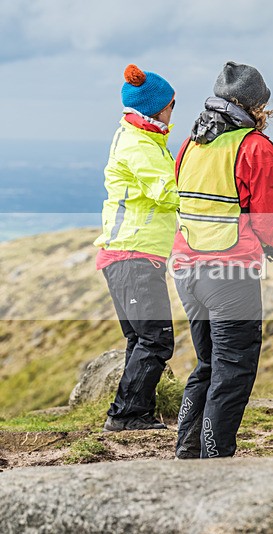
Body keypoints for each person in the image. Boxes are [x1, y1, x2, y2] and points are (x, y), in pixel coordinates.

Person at [171, 61, 273, 459]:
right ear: (257, 106)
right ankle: (217, 456)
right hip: (228, 274)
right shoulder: (253, 146)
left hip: (186, 271)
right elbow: (269, 218)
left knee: (208, 363)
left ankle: (188, 449)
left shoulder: (192, 143)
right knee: (234, 368)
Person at [94, 64, 178, 432]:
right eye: (172, 104)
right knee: (156, 339)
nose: (174, 110)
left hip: (135, 255)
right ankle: (126, 415)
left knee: (141, 339)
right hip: (133, 255)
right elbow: (168, 193)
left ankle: (135, 410)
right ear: (157, 107)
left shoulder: (141, 138)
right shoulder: (138, 144)